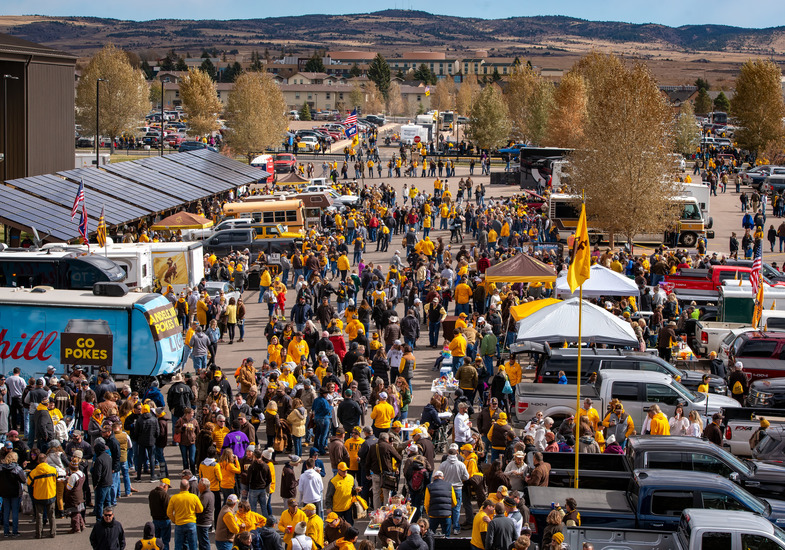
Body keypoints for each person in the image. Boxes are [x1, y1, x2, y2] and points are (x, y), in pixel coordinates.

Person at [166, 478, 204, 550]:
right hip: (191, 523)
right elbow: (200, 510)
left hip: (179, 523)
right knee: (193, 545)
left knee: (178, 545)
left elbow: (169, 513)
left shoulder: (174, 498)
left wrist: (174, 520)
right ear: (188, 487)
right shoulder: (194, 497)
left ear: (180, 488)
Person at [424, 470, 457, 536]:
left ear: (434, 477)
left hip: (433, 515)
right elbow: (454, 502)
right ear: (443, 478)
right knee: (446, 536)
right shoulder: (449, 485)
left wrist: (428, 512)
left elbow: (427, 503)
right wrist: (449, 508)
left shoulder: (429, 486)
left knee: (430, 535)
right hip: (446, 515)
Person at [0, 450, 25, 537]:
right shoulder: (17, 468)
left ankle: (6, 531)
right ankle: (15, 531)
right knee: (14, 512)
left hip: (4, 492)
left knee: (6, 512)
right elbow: (23, 480)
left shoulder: (1, 468)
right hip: (15, 492)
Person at [149, 478, 172, 550]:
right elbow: (168, 509)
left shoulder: (152, 493)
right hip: (164, 520)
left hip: (155, 519)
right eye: (168, 486)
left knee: (155, 541)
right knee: (165, 541)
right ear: (165, 485)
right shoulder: (164, 495)